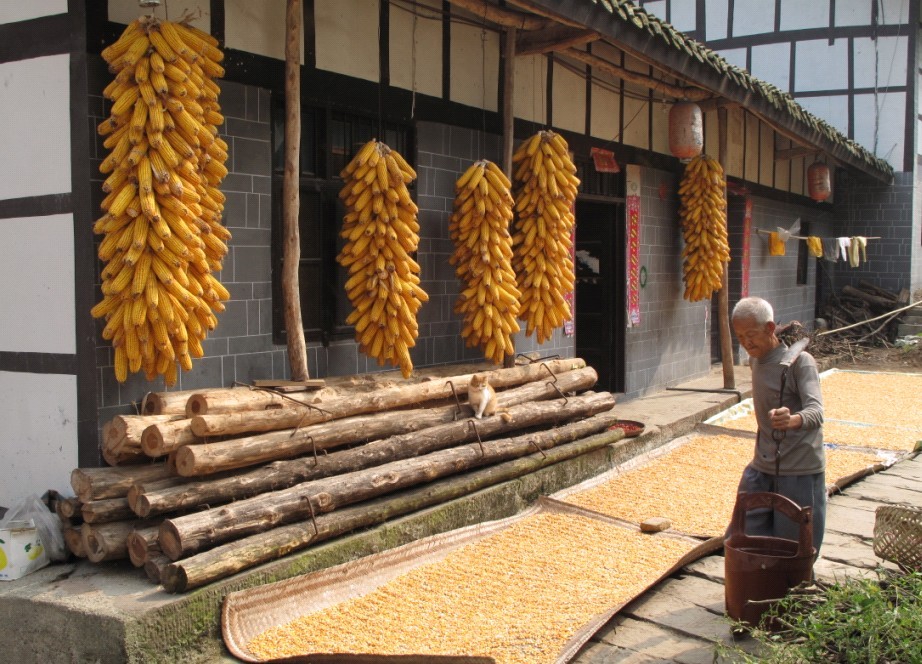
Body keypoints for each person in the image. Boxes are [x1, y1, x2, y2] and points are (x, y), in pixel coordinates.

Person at [731, 296, 825, 555]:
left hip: (799, 468)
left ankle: (794, 591)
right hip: (762, 466)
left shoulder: (800, 363)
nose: (746, 343)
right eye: (739, 337)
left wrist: (792, 420)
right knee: (746, 538)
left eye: (751, 335)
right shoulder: (755, 361)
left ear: (770, 328)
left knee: (795, 547)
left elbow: (817, 412)